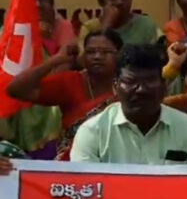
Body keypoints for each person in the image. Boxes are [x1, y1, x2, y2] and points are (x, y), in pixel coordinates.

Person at [70, 44, 187, 164]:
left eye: (150, 81)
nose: (141, 89)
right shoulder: (93, 132)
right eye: (131, 81)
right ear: (115, 86)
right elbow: (86, 184)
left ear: (164, 86)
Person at [7, 30, 123, 160]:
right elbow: (16, 89)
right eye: (90, 52)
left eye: (106, 52)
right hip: (70, 160)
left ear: (119, 55)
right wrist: (56, 60)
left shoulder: (129, 86)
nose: (97, 56)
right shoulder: (71, 81)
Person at [0, 0, 75, 160]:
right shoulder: (6, 35)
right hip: (11, 117)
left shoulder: (64, 32)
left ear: (52, 7)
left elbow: (60, 76)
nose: (37, 5)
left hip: (49, 118)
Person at [78, 0, 159, 47]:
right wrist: (106, 26)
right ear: (101, 1)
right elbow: (88, 57)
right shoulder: (89, 27)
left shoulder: (145, 25)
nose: (119, 2)